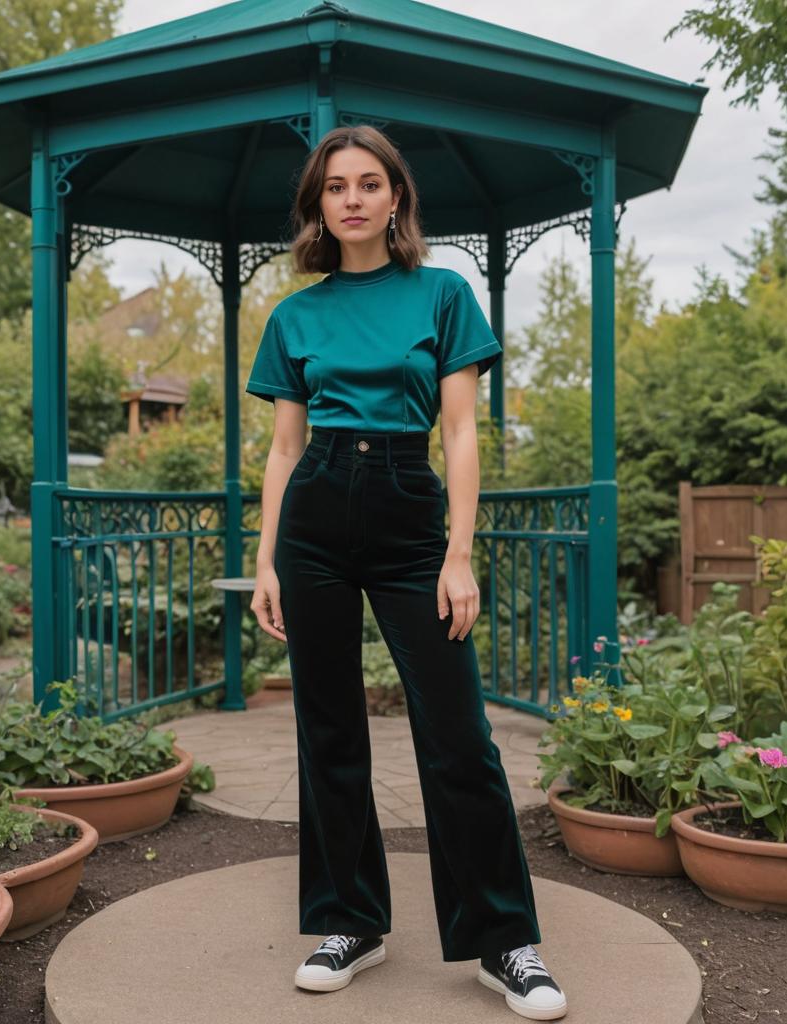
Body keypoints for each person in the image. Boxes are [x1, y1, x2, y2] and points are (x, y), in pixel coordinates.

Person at [245, 125, 568, 1022]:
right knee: (329, 726)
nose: (350, 197)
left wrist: (459, 553)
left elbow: (460, 433)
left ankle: (506, 943)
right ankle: (350, 919)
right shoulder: (295, 315)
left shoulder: (443, 294)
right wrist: (266, 555)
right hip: (314, 515)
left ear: (396, 200)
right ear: (318, 205)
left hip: (407, 511)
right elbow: (282, 446)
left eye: (369, 183)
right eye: (334, 186)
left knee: (459, 734)